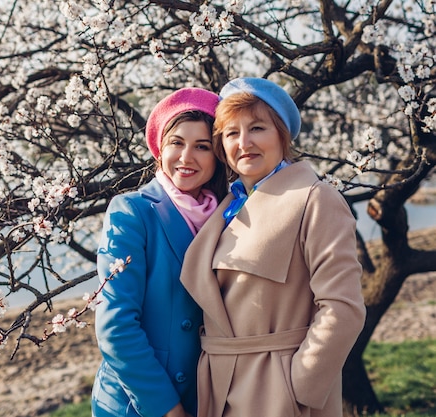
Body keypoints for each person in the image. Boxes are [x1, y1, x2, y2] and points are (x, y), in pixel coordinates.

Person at [179, 77, 366, 417]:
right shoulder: (226, 205)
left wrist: (298, 388)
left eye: (257, 128)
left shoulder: (315, 198)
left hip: (278, 391)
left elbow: (343, 308)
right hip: (218, 387)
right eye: (232, 133)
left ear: (282, 135)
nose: (244, 143)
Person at [91, 87, 227, 417]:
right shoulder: (131, 211)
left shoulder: (229, 214)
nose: (186, 157)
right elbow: (116, 326)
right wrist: (167, 409)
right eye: (176, 143)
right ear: (159, 150)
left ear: (218, 156)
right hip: (139, 403)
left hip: (206, 397)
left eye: (202, 146)